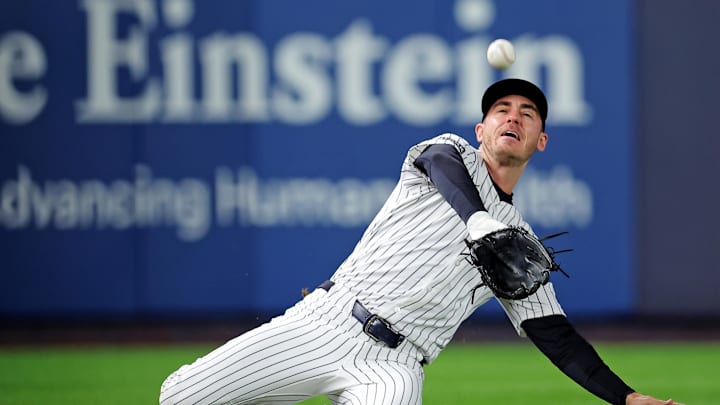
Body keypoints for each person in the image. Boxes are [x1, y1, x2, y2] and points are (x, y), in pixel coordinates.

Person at [159, 78, 684, 405]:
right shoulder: (447, 152)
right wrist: (478, 220)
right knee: (179, 397)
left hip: (396, 367)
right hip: (328, 321)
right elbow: (442, 165)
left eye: (528, 113)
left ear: (539, 141)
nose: (514, 116)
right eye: (502, 109)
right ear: (481, 129)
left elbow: (554, 334)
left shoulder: (520, 243)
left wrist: (626, 397)